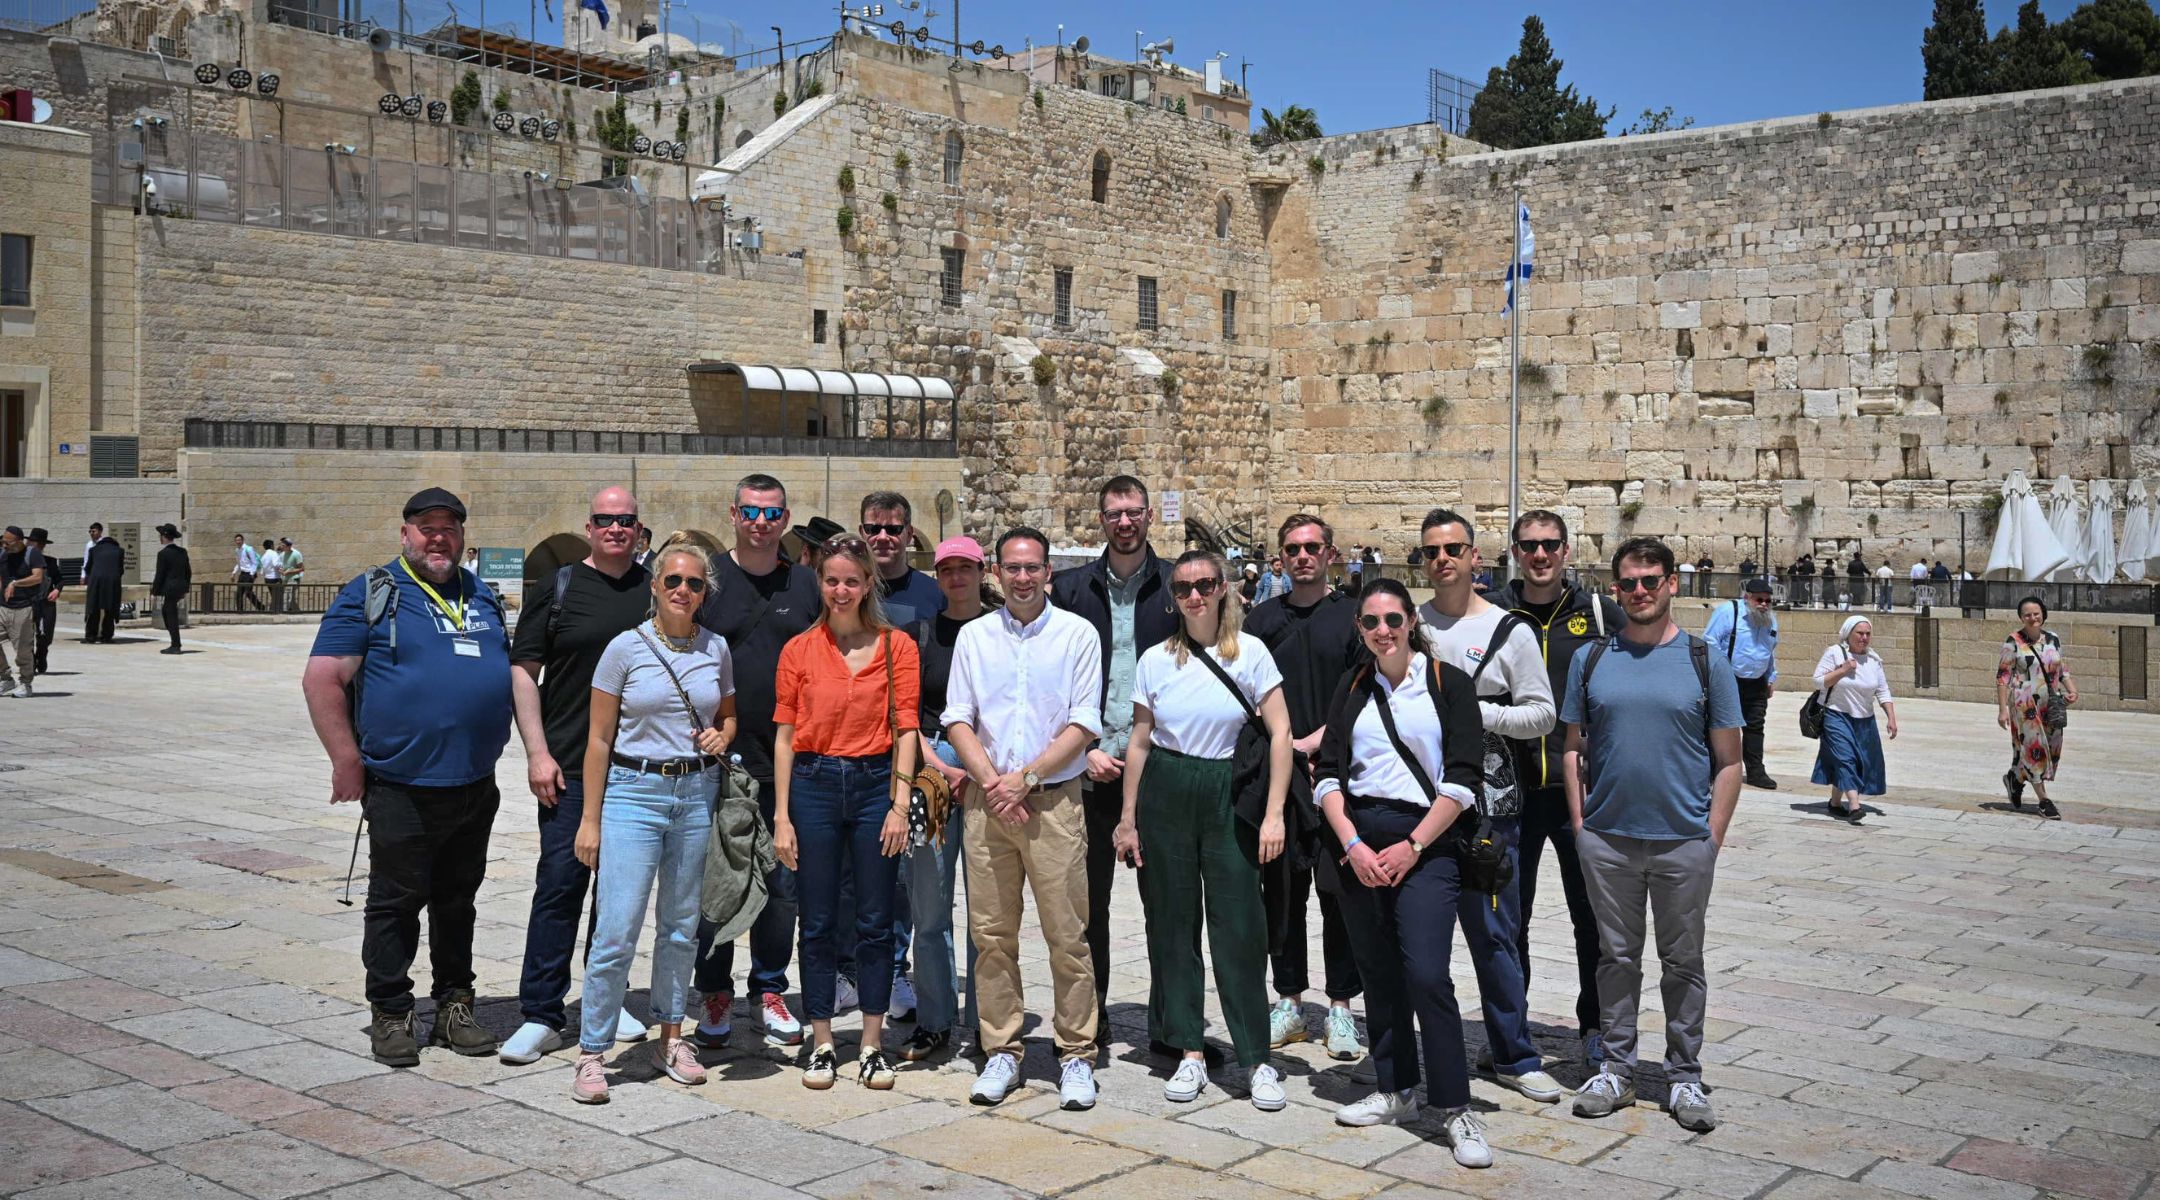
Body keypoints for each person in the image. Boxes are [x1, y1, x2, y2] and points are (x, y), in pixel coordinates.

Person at [301, 488, 513, 1067]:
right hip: (402, 785)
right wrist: (346, 759)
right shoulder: (373, 593)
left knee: (457, 902)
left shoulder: (483, 595)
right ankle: (392, 1011)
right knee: (395, 903)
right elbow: (322, 679)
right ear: (405, 535)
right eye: (426, 528)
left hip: (473, 782)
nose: (438, 537)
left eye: (449, 528)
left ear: (463, 536)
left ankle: (453, 1007)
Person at [1561, 536, 1742, 1133]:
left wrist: (1709, 839)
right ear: (1616, 589)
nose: (1639, 591)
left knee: (1682, 960)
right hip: (1608, 839)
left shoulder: (1703, 659)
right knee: (1615, 958)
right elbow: (1572, 749)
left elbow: (1730, 760)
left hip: (1683, 841)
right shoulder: (1591, 660)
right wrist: (1583, 826)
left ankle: (1684, 1075)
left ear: (1671, 585)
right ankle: (1617, 1067)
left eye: (1650, 580)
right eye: (1629, 582)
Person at [1313, 578, 1493, 1168]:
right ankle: (1395, 1089)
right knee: (1379, 972)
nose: (1383, 631)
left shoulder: (1448, 684)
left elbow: (1464, 778)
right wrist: (1355, 845)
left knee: (1426, 973)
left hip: (1427, 842)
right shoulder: (1353, 685)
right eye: (1371, 623)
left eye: (1393, 619)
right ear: (1360, 630)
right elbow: (1329, 773)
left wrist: (1413, 846)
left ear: (1411, 622)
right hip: (1360, 840)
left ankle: (1454, 1106)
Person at [1113, 550, 1294, 1111]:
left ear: (1223, 589)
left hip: (1228, 789)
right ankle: (1190, 1048)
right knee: (1172, 920)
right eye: (1185, 587)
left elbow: (1282, 733)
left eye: (1205, 584)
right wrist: (1127, 818)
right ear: (1172, 595)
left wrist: (1274, 814)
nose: (1195, 595)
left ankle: (1255, 1057)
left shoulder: (1252, 653)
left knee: (1240, 923)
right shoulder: (1156, 659)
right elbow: (1139, 740)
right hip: (1167, 787)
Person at [569, 548, 738, 1103]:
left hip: (696, 792)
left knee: (681, 926)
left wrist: (723, 737)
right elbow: (598, 738)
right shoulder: (624, 649)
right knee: (616, 928)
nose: (683, 590)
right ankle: (592, 1053)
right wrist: (589, 819)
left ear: (703, 592)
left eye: (693, 583)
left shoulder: (716, 648)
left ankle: (671, 1037)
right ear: (655, 586)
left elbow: (728, 715)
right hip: (633, 793)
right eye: (673, 580)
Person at [943, 527, 1104, 1110]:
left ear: (1048, 573)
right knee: (991, 935)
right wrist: (993, 782)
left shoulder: (1077, 635)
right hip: (989, 804)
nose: (1022, 578)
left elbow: (1084, 723)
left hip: (1053, 803)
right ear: (996, 572)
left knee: (1068, 935)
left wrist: (1027, 779)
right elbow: (957, 717)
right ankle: (1003, 1050)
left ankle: (1077, 1054)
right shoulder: (974, 637)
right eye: (1011, 568)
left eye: (1032, 567)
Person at [501, 489, 658, 1064]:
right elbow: (524, 672)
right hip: (567, 766)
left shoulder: (654, 590)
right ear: (589, 526)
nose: (616, 528)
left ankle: (603, 998)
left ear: (640, 529)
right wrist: (535, 754)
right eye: (605, 520)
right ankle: (541, 1013)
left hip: (637, 770)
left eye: (626, 520)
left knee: (618, 897)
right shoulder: (560, 586)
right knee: (560, 889)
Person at [1413, 510, 1563, 1104]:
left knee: (1495, 934)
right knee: (1414, 939)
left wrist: (1478, 714)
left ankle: (1514, 1054)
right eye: (1431, 551)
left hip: (1490, 811)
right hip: (1419, 808)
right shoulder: (1408, 624)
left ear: (1477, 557)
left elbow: (1542, 714)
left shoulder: (1511, 631)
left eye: (1453, 548)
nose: (1442, 559)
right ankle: (1407, 1052)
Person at [770, 536, 920, 1090]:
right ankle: (824, 1040)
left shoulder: (895, 646)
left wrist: (899, 805)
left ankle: (874, 1043)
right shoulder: (799, 650)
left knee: (876, 921)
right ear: (820, 583)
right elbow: (784, 737)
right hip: (812, 783)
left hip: (875, 783)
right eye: (831, 580)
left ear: (867, 585)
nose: (840, 590)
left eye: (851, 581)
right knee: (817, 919)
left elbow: (907, 727)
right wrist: (782, 816)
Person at [692, 474, 821, 1046]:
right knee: (716, 881)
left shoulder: (808, 585)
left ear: (786, 520)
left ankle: (769, 987)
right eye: (751, 512)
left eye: (772, 514)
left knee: (782, 885)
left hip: (790, 762)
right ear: (733, 513)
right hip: (718, 762)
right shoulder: (708, 581)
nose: (761, 523)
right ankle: (714, 991)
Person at [1047, 476, 1176, 1041]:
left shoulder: (1180, 587)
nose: (1124, 523)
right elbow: (1051, 684)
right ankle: (1088, 1021)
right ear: (1100, 519)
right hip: (1090, 770)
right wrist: (1088, 747)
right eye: (1114, 514)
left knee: (1168, 907)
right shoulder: (1071, 589)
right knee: (1086, 905)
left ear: (1150, 517)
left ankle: (1175, 1026)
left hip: (1161, 770)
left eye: (1134, 513)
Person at [1501, 510, 1624, 1067]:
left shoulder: (1599, 614)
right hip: (1514, 793)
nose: (1540, 555)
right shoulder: (1496, 614)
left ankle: (1595, 1027)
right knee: (1509, 919)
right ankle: (1512, 1030)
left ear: (1567, 551)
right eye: (1529, 545)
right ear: (1515, 551)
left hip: (1585, 792)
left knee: (1592, 918)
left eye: (1550, 544)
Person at [1244, 515, 1365, 1061]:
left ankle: (1341, 1007)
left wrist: (1317, 738)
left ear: (1331, 553)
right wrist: (1284, 744)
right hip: (1281, 778)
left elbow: (1364, 690)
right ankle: (1288, 1000)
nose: (1302, 556)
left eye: (1312, 546)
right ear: (1280, 558)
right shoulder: (1261, 620)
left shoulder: (1352, 617)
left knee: (1339, 895)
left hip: (1339, 774)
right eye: (1292, 548)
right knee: (1283, 894)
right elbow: (1247, 692)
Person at [897, 536, 995, 1062]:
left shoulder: (1002, 631)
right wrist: (939, 767)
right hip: (933, 769)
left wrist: (978, 769)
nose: (957, 577)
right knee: (929, 903)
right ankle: (935, 1019)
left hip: (989, 766)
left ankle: (987, 1021)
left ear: (982, 573)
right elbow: (906, 712)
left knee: (986, 906)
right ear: (937, 577)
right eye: (947, 569)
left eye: (965, 568)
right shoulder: (919, 635)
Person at [850, 489, 942, 1016]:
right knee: (854, 876)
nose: (883, 538)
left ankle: (896, 971)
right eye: (873, 529)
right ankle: (853, 970)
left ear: (910, 535)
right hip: (855, 752)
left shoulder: (930, 596)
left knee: (907, 874)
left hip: (913, 750)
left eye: (893, 529)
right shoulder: (846, 590)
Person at [1997, 596, 2077, 821]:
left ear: (2043, 614)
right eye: (2027, 615)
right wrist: (2003, 710)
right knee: (2035, 750)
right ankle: (2044, 801)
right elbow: (2003, 676)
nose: (2032, 618)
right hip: (2025, 704)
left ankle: (2015, 777)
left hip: (2050, 703)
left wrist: (2071, 689)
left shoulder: (2053, 639)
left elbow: (2061, 668)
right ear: (2021, 617)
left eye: (2036, 613)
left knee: (2052, 748)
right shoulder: (2013, 641)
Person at [1811, 616, 1896, 824]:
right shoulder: (1834, 653)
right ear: (1848, 634)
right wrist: (1842, 670)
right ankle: (1855, 805)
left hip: (1864, 720)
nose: (1864, 638)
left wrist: (1891, 718)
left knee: (1852, 760)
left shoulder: (1874, 661)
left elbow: (1883, 691)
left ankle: (1835, 803)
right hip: (1835, 714)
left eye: (1867, 634)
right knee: (1846, 758)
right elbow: (1818, 681)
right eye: (1860, 633)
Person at [1701, 577, 1780, 790]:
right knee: (1720, 725)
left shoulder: (1771, 621)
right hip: (1729, 679)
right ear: (1747, 598)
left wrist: (1771, 677)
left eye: (1767, 600)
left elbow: (1770, 650)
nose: (1763, 604)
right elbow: (1709, 641)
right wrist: (1720, 672)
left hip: (1757, 683)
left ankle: (1756, 771)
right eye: (1759, 599)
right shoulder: (1729, 612)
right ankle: (1711, 769)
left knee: (1755, 726)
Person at [1, 525, 46, 697]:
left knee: (22, 650)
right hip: (3, 606)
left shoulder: (32, 554)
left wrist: (15, 583)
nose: (4, 546)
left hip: (24, 607)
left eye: (8, 543)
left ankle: (26, 684)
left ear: (19, 542)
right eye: (3, 542)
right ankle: (5, 679)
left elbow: (37, 577)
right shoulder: (2, 555)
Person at [149, 523, 191, 655]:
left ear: (165, 536)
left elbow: (160, 574)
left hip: (170, 588)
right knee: (167, 611)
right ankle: (175, 643)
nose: (160, 538)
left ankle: (175, 645)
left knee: (169, 614)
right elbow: (188, 572)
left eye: (161, 535)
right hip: (180, 587)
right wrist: (185, 588)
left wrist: (154, 592)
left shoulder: (163, 554)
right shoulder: (182, 552)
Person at [25, 528, 58, 675]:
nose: (28, 544)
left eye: (32, 542)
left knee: (46, 634)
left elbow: (60, 580)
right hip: (27, 602)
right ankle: (30, 661)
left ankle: (42, 654)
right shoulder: (22, 561)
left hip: (46, 602)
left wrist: (57, 590)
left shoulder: (50, 562)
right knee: (26, 633)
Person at [82, 525, 123, 643]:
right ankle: (107, 635)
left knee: (94, 609)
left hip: (96, 581)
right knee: (110, 609)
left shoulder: (93, 550)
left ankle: (91, 636)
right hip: (112, 582)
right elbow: (121, 570)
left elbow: (88, 567)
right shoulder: (119, 551)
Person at [233, 534, 265, 612]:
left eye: (239, 540)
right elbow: (239, 563)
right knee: (239, 593)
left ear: (243, 540)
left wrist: (251, 574)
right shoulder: (237, 550)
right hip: (243, 573)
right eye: (237, 540)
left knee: (248, 592)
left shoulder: (248, 549)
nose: (238, 542)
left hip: (249, 573)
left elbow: (254, 562)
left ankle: (260, 607)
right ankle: (240, 610)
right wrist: (233, 572)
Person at [260, 538, 286, 613]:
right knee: (277, 596)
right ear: (271, 546)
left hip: (267, 578)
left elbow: (262, 570)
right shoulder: (273, 553)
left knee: (274, 596)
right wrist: (282, 565)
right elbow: (276, 564)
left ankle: (273, 610)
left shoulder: (264, 556)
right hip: (275, 578)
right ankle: (274, 611)